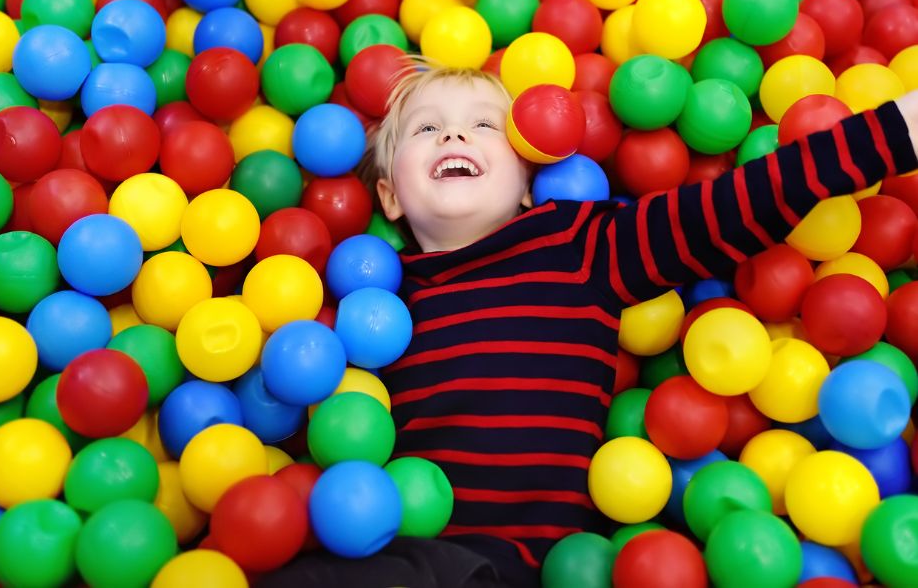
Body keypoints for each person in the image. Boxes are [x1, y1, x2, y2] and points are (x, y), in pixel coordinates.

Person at [262, 63, 918, 588]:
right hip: (386, 548)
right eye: (426, 130)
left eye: (483, 126)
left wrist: (893, 133)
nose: (454, 137)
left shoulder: (576, 244)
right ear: (390, 196)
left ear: (527, 181)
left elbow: (728, 209)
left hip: (521, 564)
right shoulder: (369, 296)